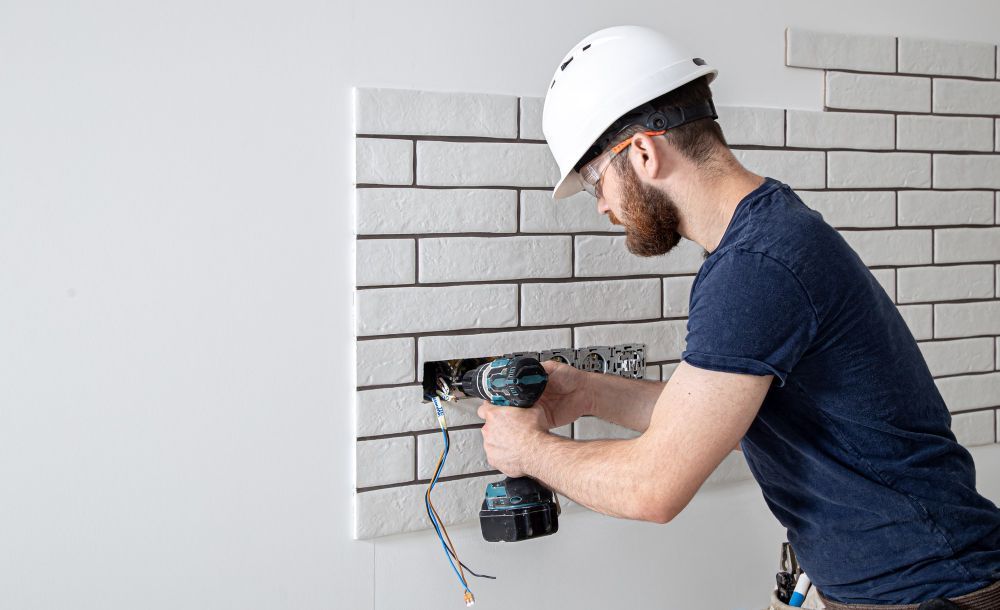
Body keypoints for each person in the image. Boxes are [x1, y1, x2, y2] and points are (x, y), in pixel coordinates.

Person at [475, 25, 1000, 609]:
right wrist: (587, 392)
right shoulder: (766, 238)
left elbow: (655, 487)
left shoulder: (754, 267)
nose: (601, 204)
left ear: (644, 152)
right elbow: (712, 419)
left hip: (933, 592)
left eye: (597, 179)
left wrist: (528, 451)